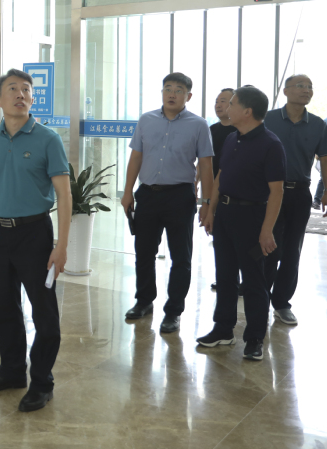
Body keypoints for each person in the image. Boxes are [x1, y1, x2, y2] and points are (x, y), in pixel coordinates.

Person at [0, 68, 72, 413]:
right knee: (4, 307)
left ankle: (42, 382)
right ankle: (12, 371)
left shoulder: (48, 139)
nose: (21, 94)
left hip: (34, 233)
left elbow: (64, 193)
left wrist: (61, 245)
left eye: (26, 90)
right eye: (13, 89)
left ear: (32, 98)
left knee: (44, 312)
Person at [121, 73, 213, 334]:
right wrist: (127, 191)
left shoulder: (199, 125)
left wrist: (207, 203)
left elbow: (206, 165)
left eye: (179, 90)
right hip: (148, 194)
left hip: (180, 196)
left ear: (188, 96)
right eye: (168, 89)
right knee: (144, 252)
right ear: (162, 92)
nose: (172, 94)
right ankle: (144, 301)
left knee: (180, 256)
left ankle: (173, 311)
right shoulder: (146, 120)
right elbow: (136, 157)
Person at [198, 86, 285, 361]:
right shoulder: (231, 138)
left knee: (254, 280)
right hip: (225, 215)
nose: (227, 107)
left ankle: (255, 337)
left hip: (252, 218)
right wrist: (211, 209)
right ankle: (223, 329)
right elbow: (221, 175)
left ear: (247, 111)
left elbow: (277, 191)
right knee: (224, 275)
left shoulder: (271, 144)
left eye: (232, 103)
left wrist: (267, 230)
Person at [264, 75, 327, 326]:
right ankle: (260, 298)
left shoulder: (317, 124)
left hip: (299, 193)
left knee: (292, 249)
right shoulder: (268, 119)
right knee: (268, 246)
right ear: (285, 91)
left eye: (310, 87)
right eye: (300, 86)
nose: (307, 90)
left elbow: (326, 159)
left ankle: (282, 303)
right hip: (268, 193)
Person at [206, 89, 238, 293]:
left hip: (235, 192)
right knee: (219, 238)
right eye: (217, 101)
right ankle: (225, 278)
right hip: (215, 189)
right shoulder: (211, 130)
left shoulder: (240, 131)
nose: (218, 105)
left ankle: (240, 279)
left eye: (223, 101)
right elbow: (204, 161)